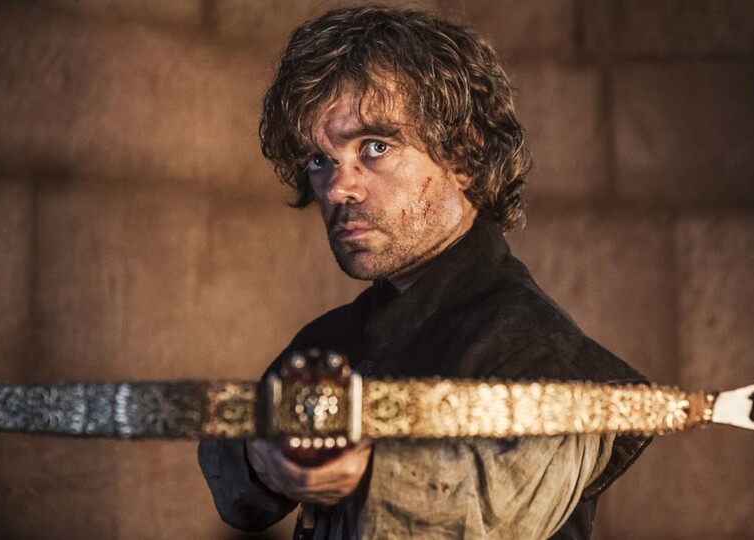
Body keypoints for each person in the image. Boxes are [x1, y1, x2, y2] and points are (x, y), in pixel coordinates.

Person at [198, 6, 649, 539]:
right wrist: (264, 450)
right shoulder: (332, 340)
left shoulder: (537, 351)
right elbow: (238, 495)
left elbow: (483, 514)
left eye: (375, 147)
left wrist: (351, 467)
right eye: (321, 160)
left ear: (465, 157)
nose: (339, 188)